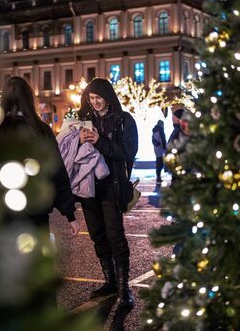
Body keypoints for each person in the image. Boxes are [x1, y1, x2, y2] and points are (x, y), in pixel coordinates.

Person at [78, 78, 138, 308]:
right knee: (98, 237)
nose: (95, 103)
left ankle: (124, 288)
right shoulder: (84, 121)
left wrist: (99, 141)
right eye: (91, 99)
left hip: (111, 188)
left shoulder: (124, 120)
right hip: (88, 189)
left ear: (108, 96)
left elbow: (128, 152)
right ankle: (110, 281)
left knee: (116, 237)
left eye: (98, 97)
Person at [0, 76, 80, 236]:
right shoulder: (40, 130)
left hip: (4, 210)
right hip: (36, 208)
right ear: (29, 98)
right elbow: (57, 172)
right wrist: (70, 214)